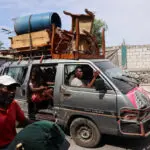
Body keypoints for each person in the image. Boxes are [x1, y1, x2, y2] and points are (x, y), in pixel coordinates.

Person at [0, 75, 31, 150]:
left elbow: (24, 121)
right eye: (9, 88)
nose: (12, 92)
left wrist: (40, 125)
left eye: (14, 89)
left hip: (13, 144)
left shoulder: (13, 104)